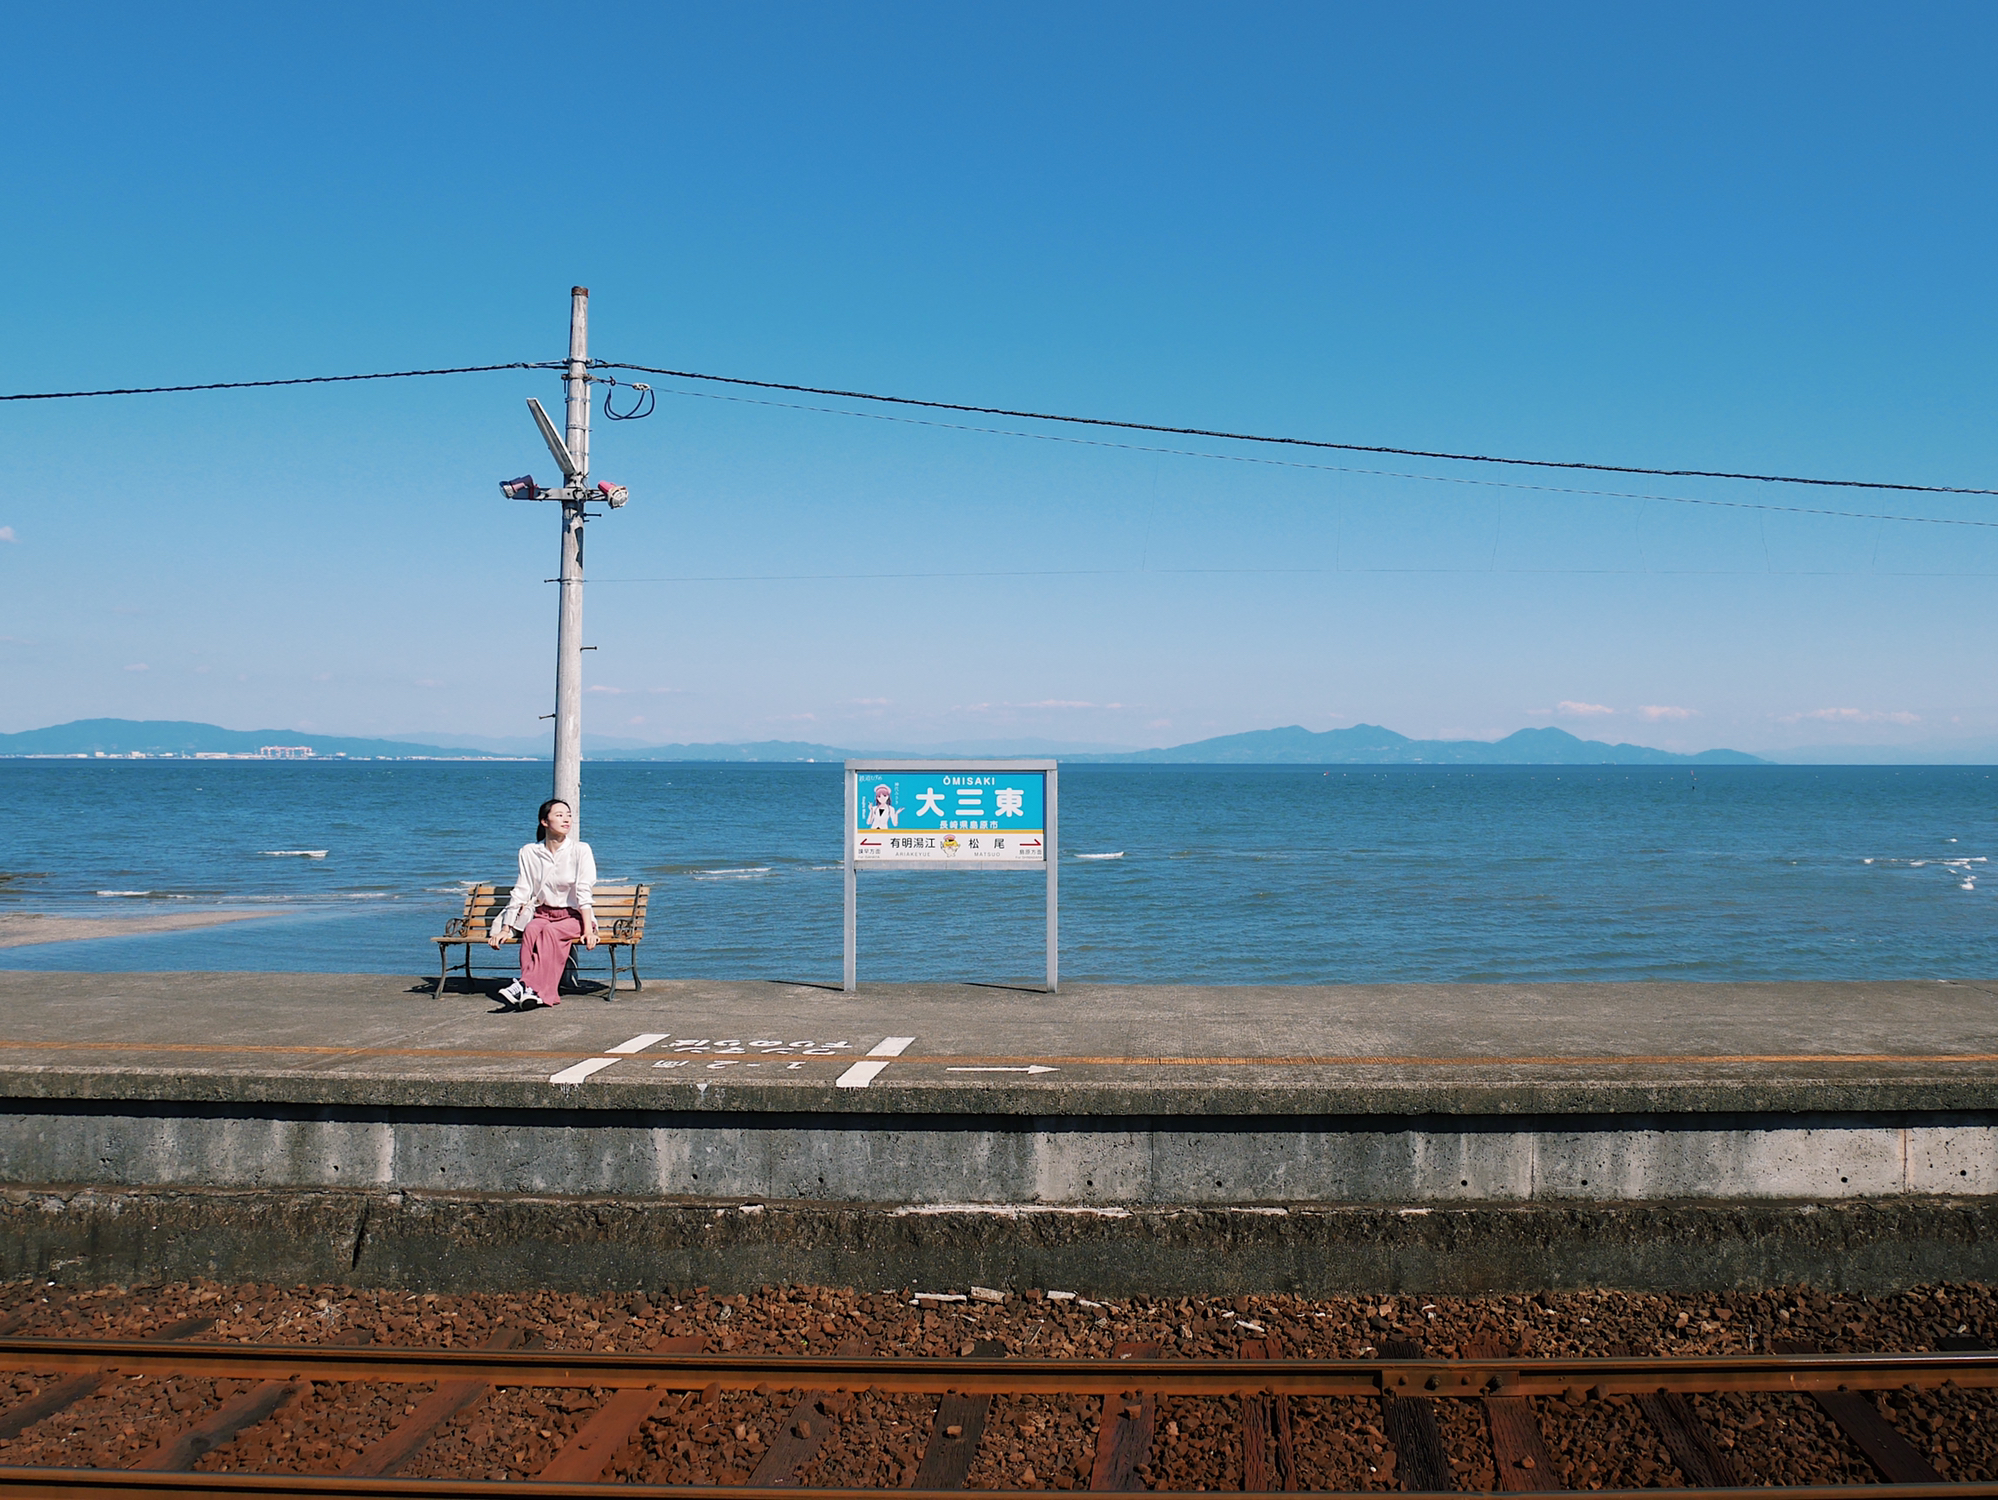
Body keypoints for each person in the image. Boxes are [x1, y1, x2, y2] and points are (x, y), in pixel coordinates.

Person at [489, 797, 598, 1008]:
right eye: (559, 815)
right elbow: (521, 891)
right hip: (543, 913)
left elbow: (584, 892)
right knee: (531, 930)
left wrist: (589, 930)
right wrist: (505, 928)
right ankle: (532, 992)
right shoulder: (530, 852)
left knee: (550, 932)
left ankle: (527, 986)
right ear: (544, 821)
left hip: (574, 917)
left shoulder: (580, 850)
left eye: (568, 815)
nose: (566, 819)